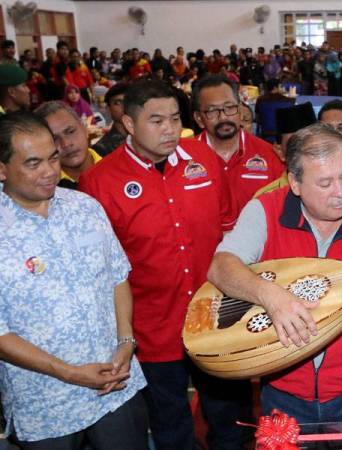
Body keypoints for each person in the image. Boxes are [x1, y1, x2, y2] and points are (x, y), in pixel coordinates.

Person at [208, 122, 342, 449]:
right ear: (294, 182)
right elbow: (221, 267)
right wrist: (271, 296)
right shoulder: (266, 210)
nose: (340, 192)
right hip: (282, 388)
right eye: (324, 182)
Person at [78, 80, 251, 450]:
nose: (170, 129)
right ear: (128, 123)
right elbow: (101, 270)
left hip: (216, 318)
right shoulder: (99, 182)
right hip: (153, 330)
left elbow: (229, 230)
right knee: (171, 426)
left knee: (228, 420)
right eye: (157, 121)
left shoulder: (203, 160)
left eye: (175, 118)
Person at [0, 111, 148, 449]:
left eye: (53, 157)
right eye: (33, 163)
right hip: (45, 407)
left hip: (115, 388)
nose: (50, 171)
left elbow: (117, 277)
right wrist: (68, 372)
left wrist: (126, 342)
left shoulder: (85, 208)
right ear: (2, 169)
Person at [193, 75, 285, 217]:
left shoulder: (269, 155)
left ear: (240, 110)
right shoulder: (183, 159)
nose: (223, 117)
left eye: (229, 108)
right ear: (199, 119)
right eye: (212, 111)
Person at [253, 101, 317, 196]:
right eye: (295, 145)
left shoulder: (341, 188)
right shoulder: (265, 199)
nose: (305, 150)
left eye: (312, 143)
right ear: (280, 151)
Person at [35, 101, 102, 189]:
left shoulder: (117, 161)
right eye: (54, 139)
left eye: (70, 131)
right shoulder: (46, 190)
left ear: (84, 128)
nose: (66, 144)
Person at [92, 82, 128, 156]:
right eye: (117, 103)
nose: (124, 106)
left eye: (128, 101)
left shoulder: (145, 137)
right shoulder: (101, 149)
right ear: (108, 109)